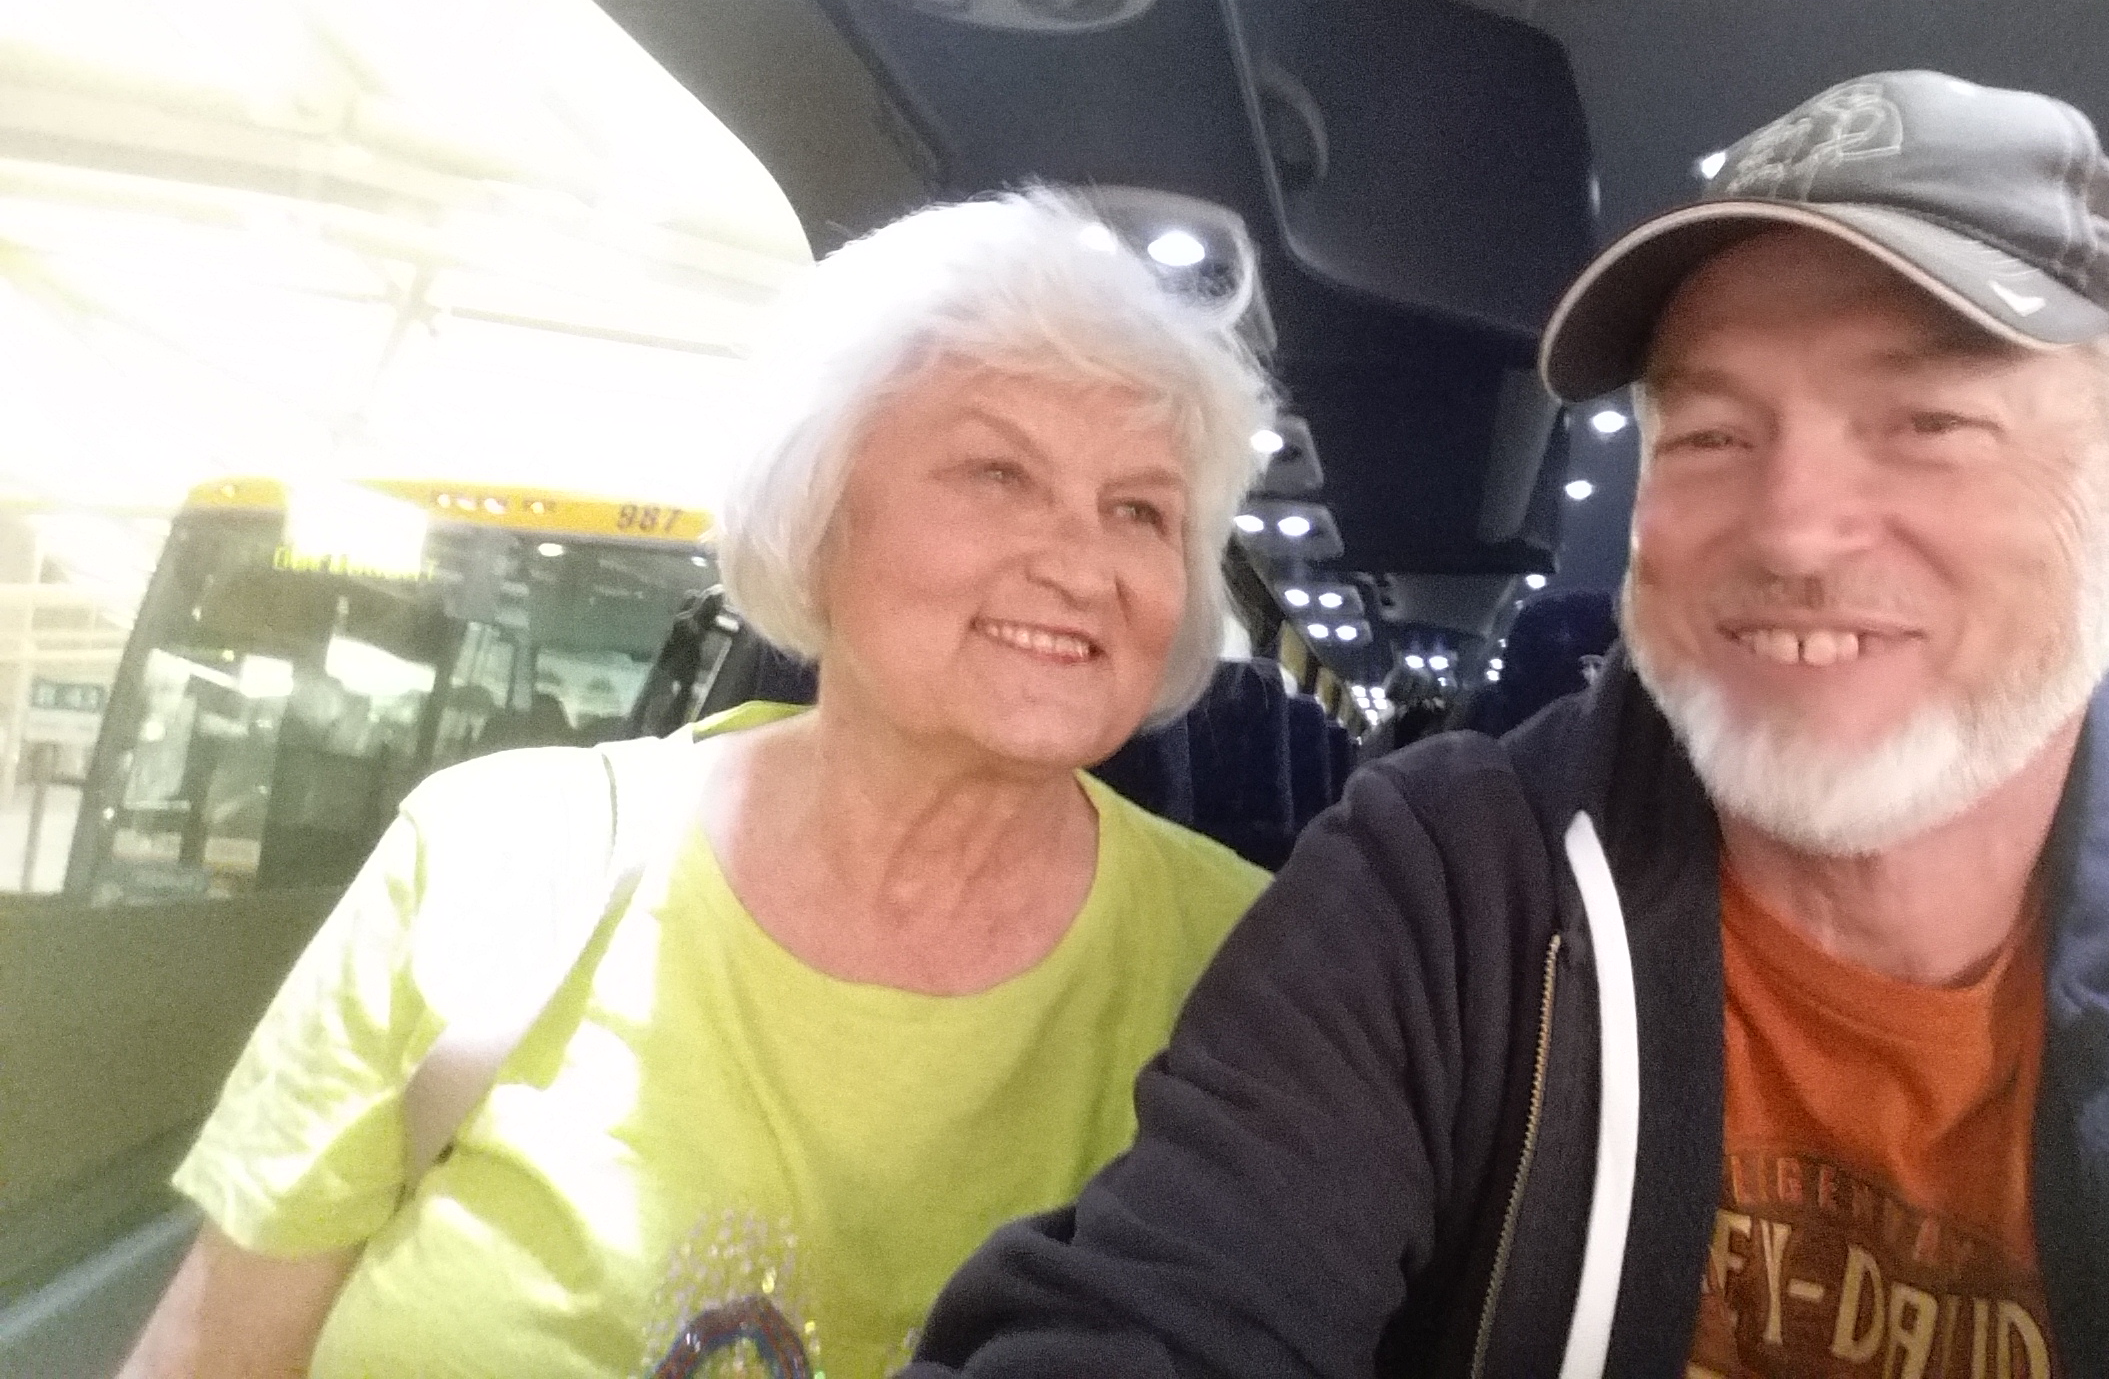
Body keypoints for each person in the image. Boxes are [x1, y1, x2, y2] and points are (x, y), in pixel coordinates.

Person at [905, 73, 2109, 1376]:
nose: (1791, 528)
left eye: (1926, 419)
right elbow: (1159, 1312)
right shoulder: (1446, 894)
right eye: (1707, 436)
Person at [122, 188, 1278, 1378]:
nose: (1083, 564)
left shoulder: (1259, 964)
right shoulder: (490, 855)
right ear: (816, 513)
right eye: (997, 473)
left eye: (1138, 509)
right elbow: (212, 1353)